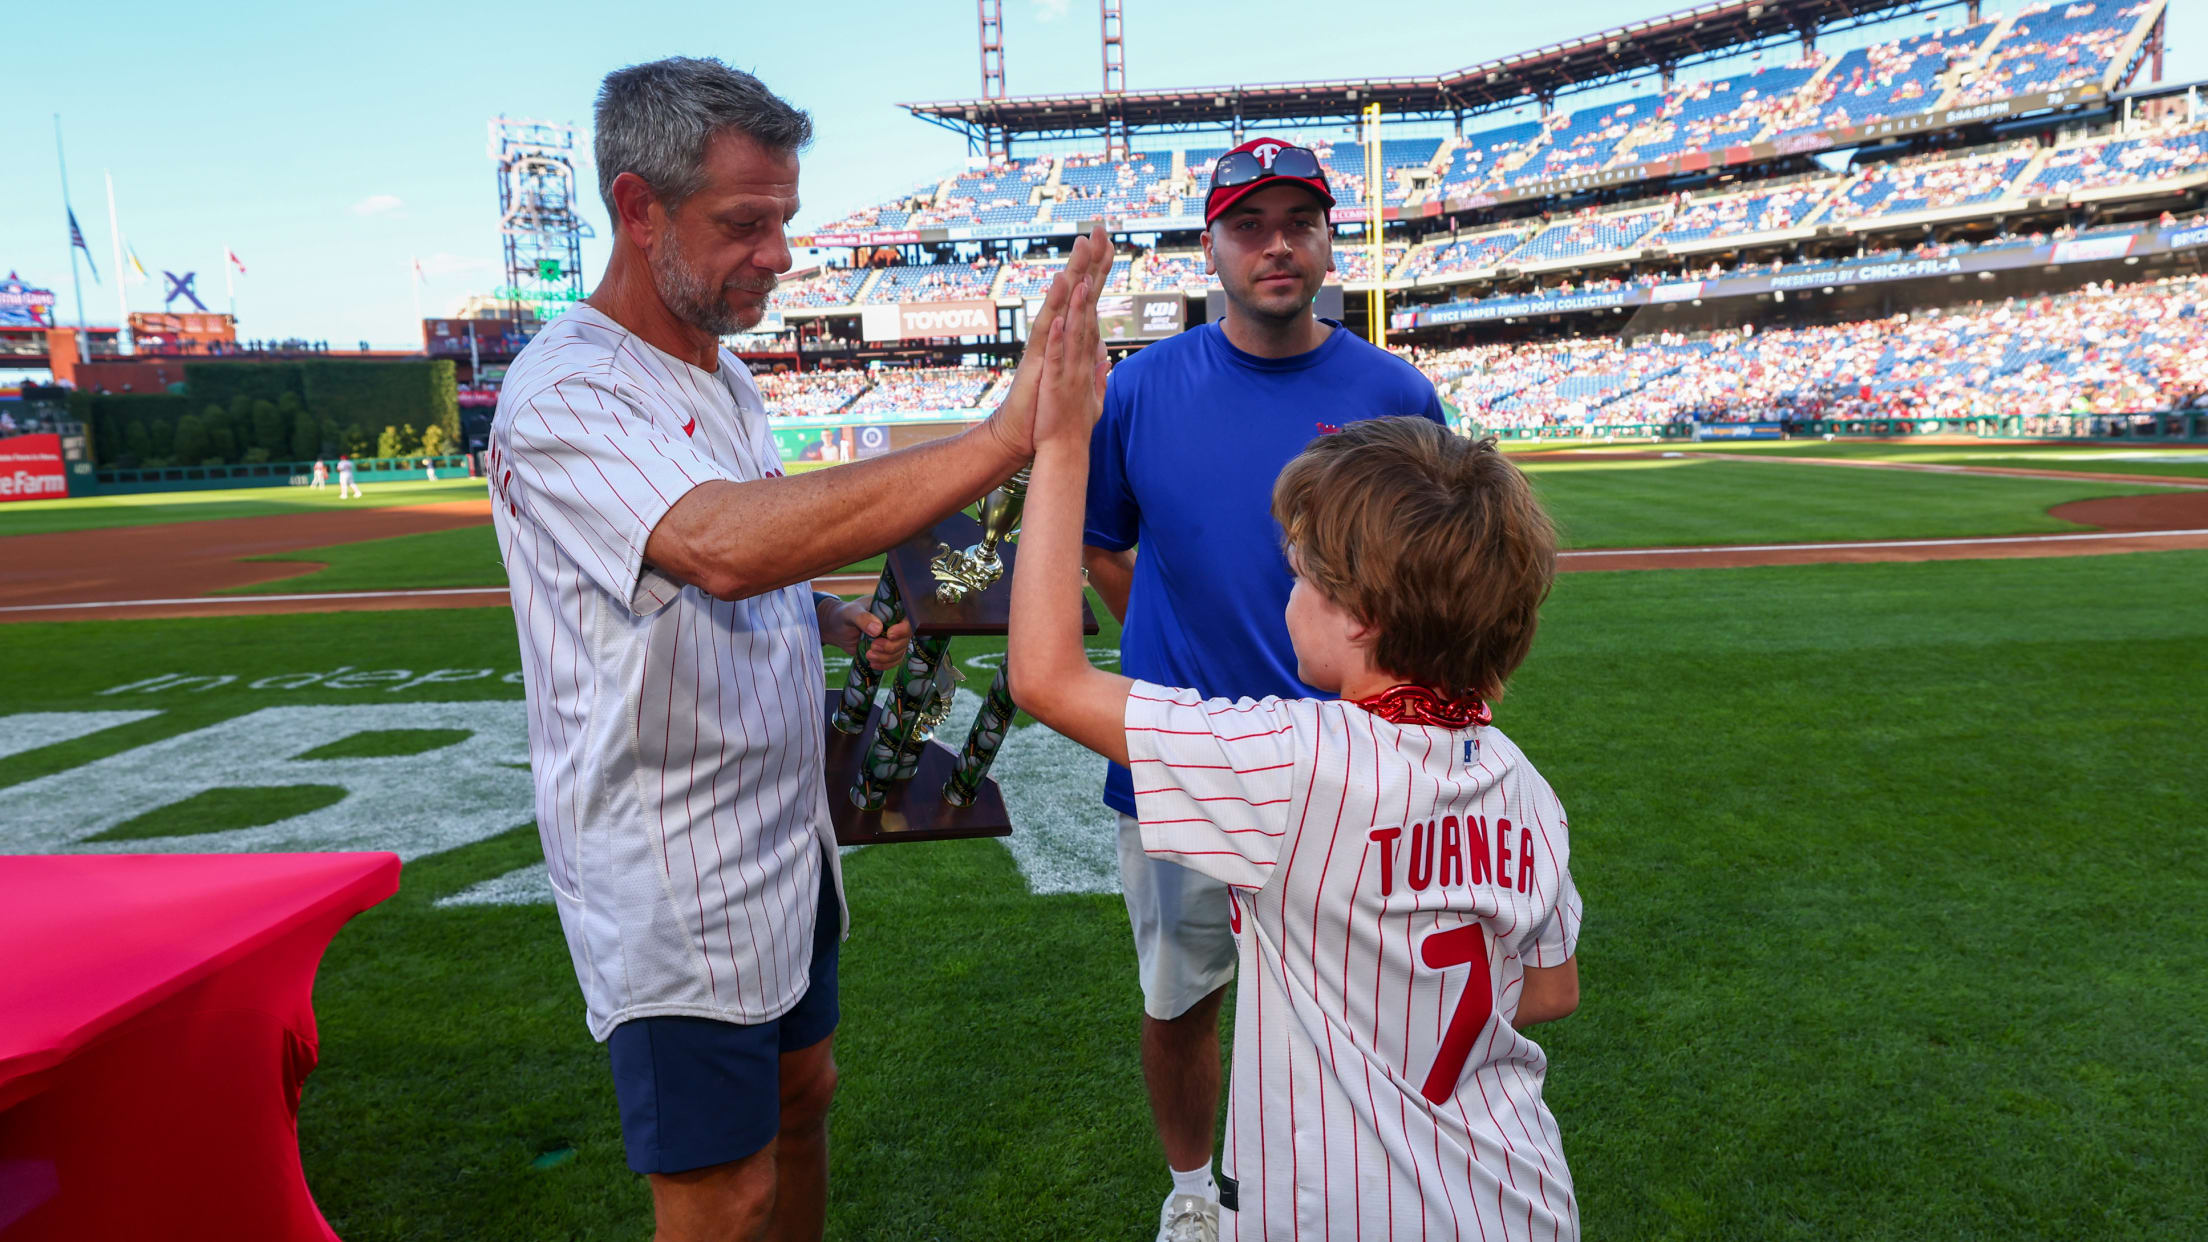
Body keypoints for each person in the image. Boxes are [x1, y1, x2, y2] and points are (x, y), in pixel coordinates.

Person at [487, 57, 1111, 1242]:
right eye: (744, 222)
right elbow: (718, 546)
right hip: (672, 869)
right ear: (637, 208)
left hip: (784, 837)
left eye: (784, 218)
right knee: (723, 1197)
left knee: (803, 1099)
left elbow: (730, 562)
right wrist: (1002, 438)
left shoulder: (718, 372)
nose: (778, 253)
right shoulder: (565, 387)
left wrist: (827, 618)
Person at [1010, 301, 1582, 1238]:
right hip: (1519, 1196)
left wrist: (1066, 440)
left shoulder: (1290, 765)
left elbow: (1044, 675)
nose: (1289, 592)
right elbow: (1552, 991)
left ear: (1361, 617)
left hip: (1338, 1210)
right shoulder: (1529, 788)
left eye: (1303, 576)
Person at [1079, 135, 1448, 1242]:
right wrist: (1176, 648)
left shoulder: (1395, 393)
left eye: (1299, 224)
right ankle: (1194, 1191)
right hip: (1183, 762)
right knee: (1180, 996)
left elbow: (1431, 575)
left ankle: (1358, 1183)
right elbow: (1102, 545)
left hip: (1354, 766)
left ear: (1330, 242)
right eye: (1249, 226)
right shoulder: (1141, 388)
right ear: (1212, 249)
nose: (1276, 246)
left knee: (1359, 1005)